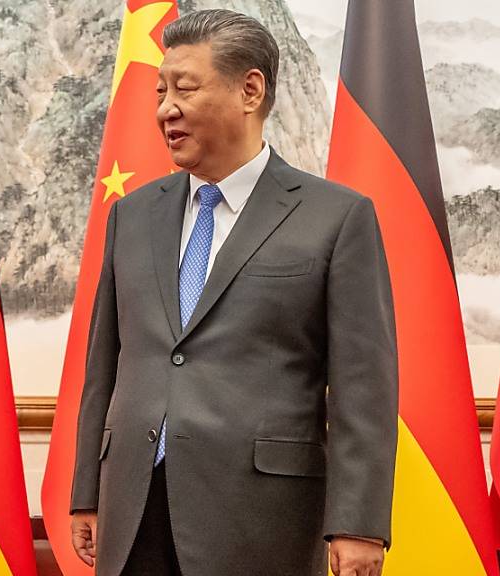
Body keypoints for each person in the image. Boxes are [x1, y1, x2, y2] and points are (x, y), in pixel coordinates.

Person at [70, 9, 397, 576]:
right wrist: (86, 493)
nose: (165, 108)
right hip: (133, 511)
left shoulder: (336, 217)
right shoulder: (132, 215)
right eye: (160, 91)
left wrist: (359, 524)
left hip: (261, 519)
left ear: (250, 91)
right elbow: (105, 365)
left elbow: (363, 387)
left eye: (185, 88)